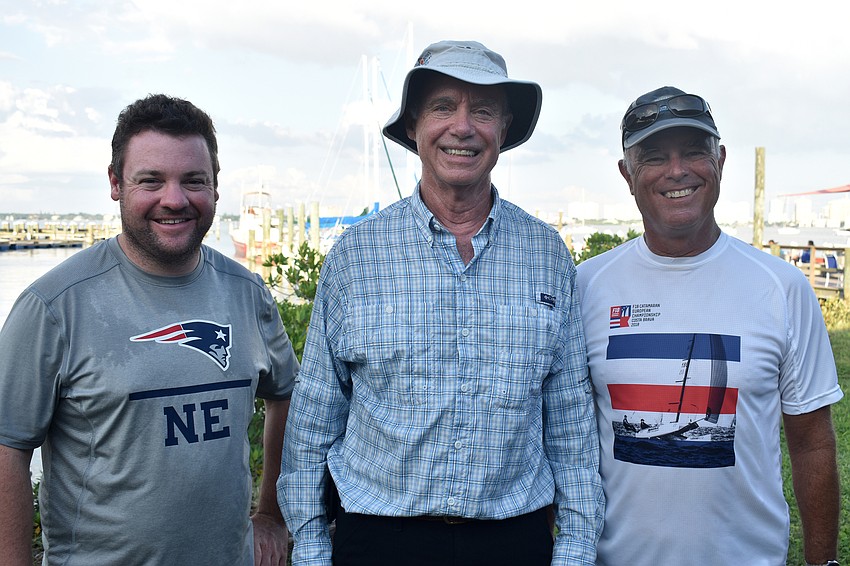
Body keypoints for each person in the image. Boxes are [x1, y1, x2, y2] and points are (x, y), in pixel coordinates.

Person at [278, 40, 603, 566]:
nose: (463, 126)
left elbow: (570, 421)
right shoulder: (355, 256)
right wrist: (312, 547)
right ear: (412, 126)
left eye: (483, 110)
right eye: (442, 106)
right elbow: (315, 418)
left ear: (503, 130)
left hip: (513, 542)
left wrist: (575, 548)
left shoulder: (547, 254)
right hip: (378, 541)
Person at [0, 94, 299, 565]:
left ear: (216, 189)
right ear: (116, 184)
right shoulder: (55, 306)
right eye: (151, 180)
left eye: (193, 181)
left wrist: (273, 515)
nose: (174, 199)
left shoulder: (247, 294)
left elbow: (286, 394)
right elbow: (7, 445)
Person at [576, 86, 843, 565]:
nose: (677, 171)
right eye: (654, 157)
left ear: (720, 160)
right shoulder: (586, 287)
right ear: (627, 174)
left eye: (694, 152)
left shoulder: (780, 287)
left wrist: (822, 563)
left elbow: (812, 444)